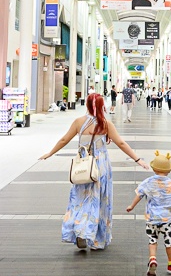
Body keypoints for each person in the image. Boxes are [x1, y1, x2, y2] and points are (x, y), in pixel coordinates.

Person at [39, 94, 149, 250]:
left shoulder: (79, 122)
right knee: (99, 200)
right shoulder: (105, 124)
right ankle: (96, 238)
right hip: (101, 166)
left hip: (83, 166)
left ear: (87, 105)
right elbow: (121, 143)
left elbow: (64, 140)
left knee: (80, 199)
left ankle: (79, 229)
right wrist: (138, 160)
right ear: (102, 105)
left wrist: (50, 153)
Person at [127, 151, 171, 276]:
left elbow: (139, 195)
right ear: (168, 171)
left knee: (152, 240)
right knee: (169, 241)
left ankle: (152, 259)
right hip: (166, 220)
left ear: (154, 169)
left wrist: (131, 206)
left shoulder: (148, 182)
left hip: (151, 219)